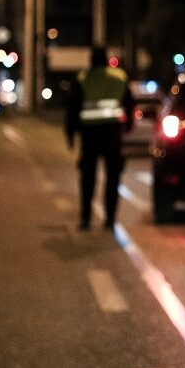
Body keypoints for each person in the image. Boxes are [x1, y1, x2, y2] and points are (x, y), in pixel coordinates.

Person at [65, 46, 134, 231]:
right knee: (113, 178)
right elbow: (129, 103)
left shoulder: (83, 78)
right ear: (106, 60)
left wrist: (70, 134)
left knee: (88, 178)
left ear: (91, 61)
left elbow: (72, 108)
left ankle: (86, 218)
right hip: (112, 134)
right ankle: (110, 218)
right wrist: (127, 126)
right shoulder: (119, 77)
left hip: (90, 135)